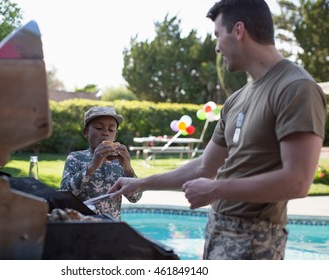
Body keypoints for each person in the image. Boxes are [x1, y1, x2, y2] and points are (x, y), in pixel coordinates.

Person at [109, 0, 327, 259]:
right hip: (217, 229)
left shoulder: (296, 87)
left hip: (255, 239)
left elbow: (297, 181)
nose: (216, 46)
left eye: (217, 35)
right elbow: (203, 167)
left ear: (238, 31)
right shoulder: (236, 99)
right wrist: (139, 183)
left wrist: (216, 189)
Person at [60, 106, 142, 219]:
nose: (105, 133)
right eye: (99, 128)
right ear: (86, 132)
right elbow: (65, 194)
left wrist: (128, 170)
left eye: (111, 129)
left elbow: (135, 198)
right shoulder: (75, 158)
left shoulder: (120, 162)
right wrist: (92, 166)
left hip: (111, 227)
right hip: (82, 224)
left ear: (116, 135)